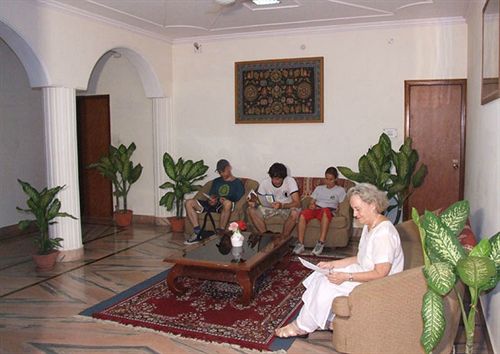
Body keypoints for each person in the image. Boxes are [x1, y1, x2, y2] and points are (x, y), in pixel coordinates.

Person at [275, 183, 404, 337]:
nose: (355, 214)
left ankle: (302, 326)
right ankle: (323, 319)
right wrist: (332, 264)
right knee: (321, 275)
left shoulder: (384, 234)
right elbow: (361, 258)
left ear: (373, 205)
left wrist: (346, 276)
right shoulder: (370, 225)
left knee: (326, 284)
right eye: (353, 209)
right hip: (366, 272)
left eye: (358, 209)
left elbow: (381, 273)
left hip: (378, 284)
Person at [185, 159, 245, 244]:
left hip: (224, 205)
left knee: (227, 203)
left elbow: (237, 197)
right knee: (189, 202)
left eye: (223, 172)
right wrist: (212, 199)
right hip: (213, 203)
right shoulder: (217, 181)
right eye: (220, 173)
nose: (222, 174)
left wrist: (225, 198)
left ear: (229, 168)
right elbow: (212, 194)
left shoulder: (237, 183)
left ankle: (221, 231)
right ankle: (197, 232)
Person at [293, 167, 346, 256]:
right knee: (303, 214)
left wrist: (337, 212)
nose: (328, 182)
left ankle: (320, 243)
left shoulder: (340, 190)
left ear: (336, 179)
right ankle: (300, 244)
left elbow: (341, 205)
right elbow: (311, 202)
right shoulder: (319, 188)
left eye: (331, 179)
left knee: (325, 210)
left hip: (328, 210)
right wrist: (311, 205)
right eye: (326, 179)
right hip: (317, 209)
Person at [247, 162, 300, 237]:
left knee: (295, 213)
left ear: (283, 177)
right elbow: (259, 200)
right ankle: (265, 237)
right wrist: (253, 203)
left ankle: (283, 239)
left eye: (278, 179)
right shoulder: (264, 183)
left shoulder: (290, 181)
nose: (276, 181)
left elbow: (297, 203)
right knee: (250, 210)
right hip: (269, 207)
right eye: (273, 178)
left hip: (286, 207)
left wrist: (282, 206)